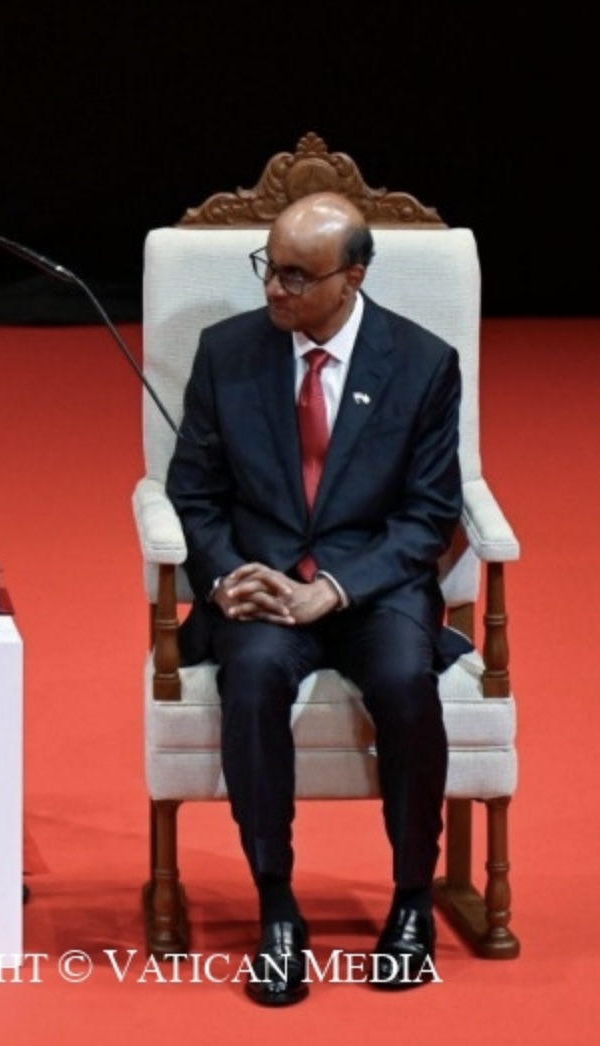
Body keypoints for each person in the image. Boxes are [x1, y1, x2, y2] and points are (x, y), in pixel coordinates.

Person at [165, 192, 465, 1005]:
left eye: (297, 276)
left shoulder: (424, 364)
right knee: (254, 676)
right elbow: (193, 495)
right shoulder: (227, 354)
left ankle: (411, 901)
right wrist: (230, 576)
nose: (274, 291)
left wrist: (333, 590)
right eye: (269, 268)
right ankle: (277, 907)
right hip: (262, 589)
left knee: (407, 681)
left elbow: (429, 517)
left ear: (353, 278)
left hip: (373, 587)